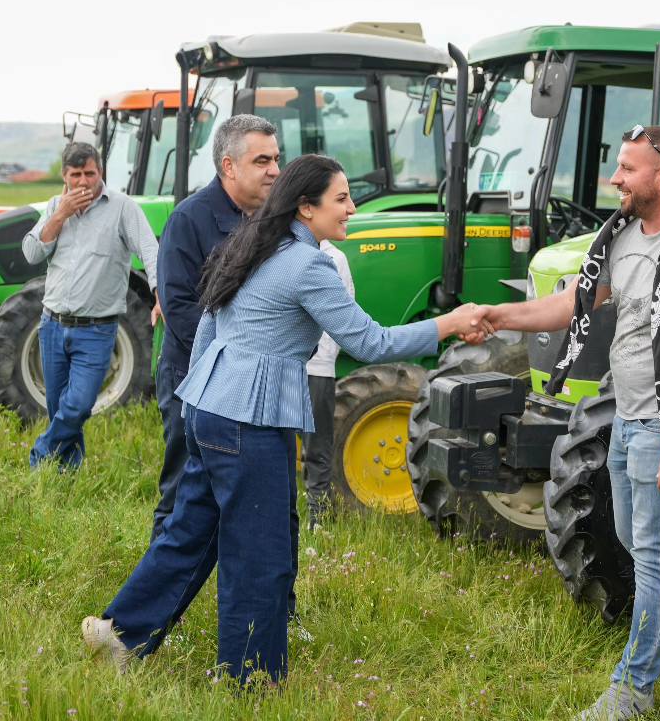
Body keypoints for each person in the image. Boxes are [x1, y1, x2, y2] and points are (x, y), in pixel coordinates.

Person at [80, 154, 488, 685]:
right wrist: (449, 323)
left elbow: (209, 322)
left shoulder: (254, 245)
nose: (352, 208)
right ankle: (250, 679)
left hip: (209, 408)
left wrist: (195, 395)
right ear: (305, 206)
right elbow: (370, 343)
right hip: (247, 422)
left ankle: (119, 634)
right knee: (260, 555)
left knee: (192, 533)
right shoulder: (307, 265)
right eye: (340, 199)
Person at [484, 125, 660, 720]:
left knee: (656, 555)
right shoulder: (622, 234)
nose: (614, 179)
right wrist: (498, 314)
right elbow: (574, 304)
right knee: (644, 543)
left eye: (627, 169)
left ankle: (631, 692)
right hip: (630, 414)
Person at [152, 114, 280, 540]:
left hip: (254, 383)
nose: (275, 171)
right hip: (193, 375)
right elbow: (179, 306)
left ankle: (267, 597)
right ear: (229, 166)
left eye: (276, 159)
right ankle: (158, 600)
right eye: (262, 161)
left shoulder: (273, 223)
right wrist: (230, 359)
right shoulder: (189, 220)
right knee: (183, 486)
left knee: (258, 495)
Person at [22, 142, 160, 468]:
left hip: (97, 328)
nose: (83, 182)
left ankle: (40, 455)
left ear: (100, 172)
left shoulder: (123, 208)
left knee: (79, 405)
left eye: (90, 174)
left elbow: (150, 251)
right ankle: (68, 474)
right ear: (64, 175)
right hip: (52, 324)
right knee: (60, 407)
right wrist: (60, 215)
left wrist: (159, 293)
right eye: (75, 175)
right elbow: (31, 253)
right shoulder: (56, 206)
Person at [302, 238, 352, 528]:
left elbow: (345, 310)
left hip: (318, 366)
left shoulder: (335, 259)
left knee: (317, 445)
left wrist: (326, 354)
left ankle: (317, 518)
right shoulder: (276, 246)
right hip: (284, 365)